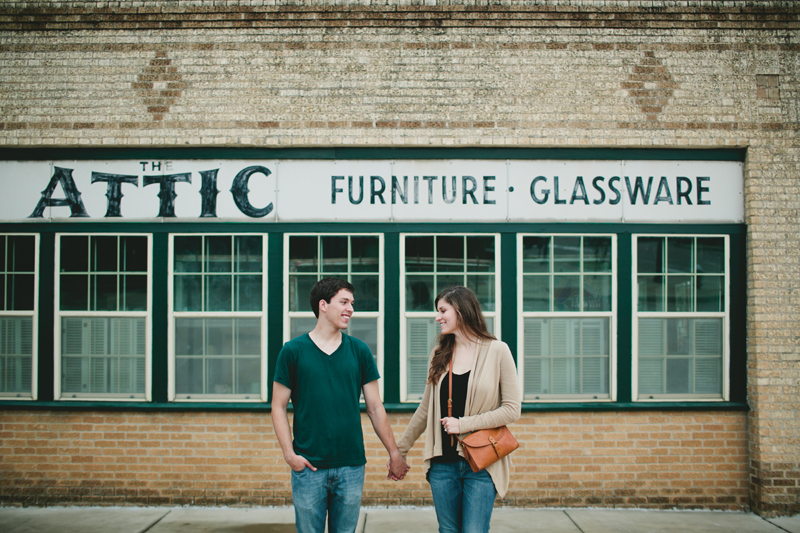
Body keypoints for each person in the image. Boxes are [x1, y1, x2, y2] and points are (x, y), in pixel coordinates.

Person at [272, 277, 409, 533]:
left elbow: (375, 407)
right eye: (344, 302)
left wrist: (394, 452)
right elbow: (277, 406)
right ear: (323, 305)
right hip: (309, 466)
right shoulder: (293, 351)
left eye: (352, 303)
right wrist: (289, 454)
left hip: (351, 466)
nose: (351, 309)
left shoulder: (359, 351)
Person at [395, 286, 521, 533]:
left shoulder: (498, 351)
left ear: (461, 311)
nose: (437, 317)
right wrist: (400, 451)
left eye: (443, 310)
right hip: (442, 464)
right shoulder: (439, 354)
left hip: (481, 462)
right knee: (448, 530)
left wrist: (463, 424)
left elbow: (512, 409)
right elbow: (425, 409)